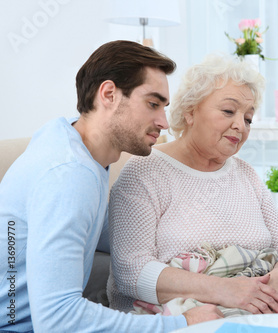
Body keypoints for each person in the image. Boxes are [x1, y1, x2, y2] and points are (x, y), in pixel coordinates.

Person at [0, 40, 222, 333]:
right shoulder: (68, 175)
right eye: (153, 104)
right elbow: (57, 320)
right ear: (109, 94)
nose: (164, 122)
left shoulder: (73, 142)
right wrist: (180, 325)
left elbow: (104, 232)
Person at [107, 54, 278, 317]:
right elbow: (130, 271)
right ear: (190, 111)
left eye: (248, 119)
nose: (240, 125)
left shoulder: (246, 175)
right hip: (182, 309)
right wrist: (226, 290)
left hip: (257, 299)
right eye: (228, 111)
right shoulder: (144, 171)